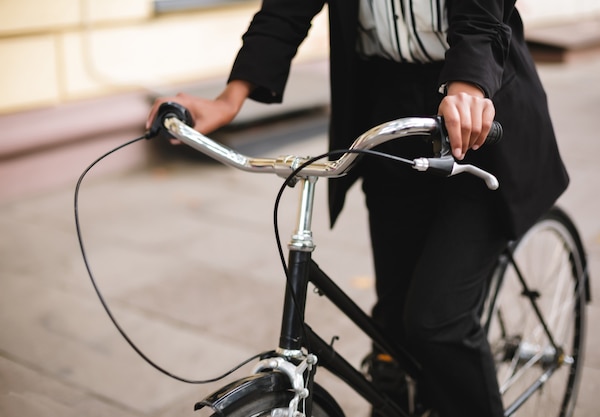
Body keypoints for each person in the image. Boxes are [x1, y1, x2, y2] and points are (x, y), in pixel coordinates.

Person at [147, 1, 569, 416]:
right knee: (392, 322)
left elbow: (480, 17)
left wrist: (469, 87)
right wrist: (229, 99)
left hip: (478, 116)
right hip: (389, 113)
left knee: (436, 322)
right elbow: (286, 9)